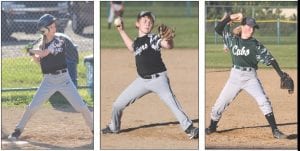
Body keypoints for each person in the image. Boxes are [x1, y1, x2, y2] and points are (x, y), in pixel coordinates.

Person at [101, 11, 198, 139]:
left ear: (152, 26)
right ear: (137, 24)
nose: (148, 23)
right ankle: (114, 126)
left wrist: (168, 39)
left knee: (172, 102)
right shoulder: (137, 42)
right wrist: (121, 30)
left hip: (159, 80)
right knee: (117, 105)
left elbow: (167, 45)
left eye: (150, 21)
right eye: (144, 20)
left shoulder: (154, 38)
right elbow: (131, 47)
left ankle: (190, 128)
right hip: (141, 81)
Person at [8, 14, 93, 140]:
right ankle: (18, 130)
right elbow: (38, 59)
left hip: (64, 80)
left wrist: (30, 50)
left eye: (54, 26)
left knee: (81, 107)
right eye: (51, 27)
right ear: (44, 30)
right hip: (48, 80)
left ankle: (93, 129)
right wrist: (32, 54)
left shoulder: (59, 40)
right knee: (32, 107)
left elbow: (44, 53)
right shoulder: (41, 43)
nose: (54, 28)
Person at [205, 12, 289, 139]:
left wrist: (281, 74)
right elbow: (218, 29)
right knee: (219, 104)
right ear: (243, 26)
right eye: (249, 26)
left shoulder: (255, 44)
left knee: (264, 101)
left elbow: (271, 59)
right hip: (235, 77)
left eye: (253, 27)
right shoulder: (232, 40)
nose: (251, 29)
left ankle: (275, 130)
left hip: (251, 78)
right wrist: (230, 18)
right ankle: (212, 126)